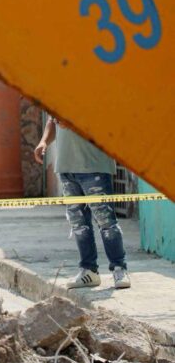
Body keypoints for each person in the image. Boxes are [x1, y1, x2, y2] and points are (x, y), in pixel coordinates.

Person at [35, 117, 131, 289]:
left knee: (106, 221)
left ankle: (119, 268)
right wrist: (43, 142)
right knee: (79, 225)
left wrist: (75, 123)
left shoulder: (96, 93)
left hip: (94, 166)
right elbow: (52, 120)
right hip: (66, 168)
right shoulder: (59, 94)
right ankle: (89, 271)